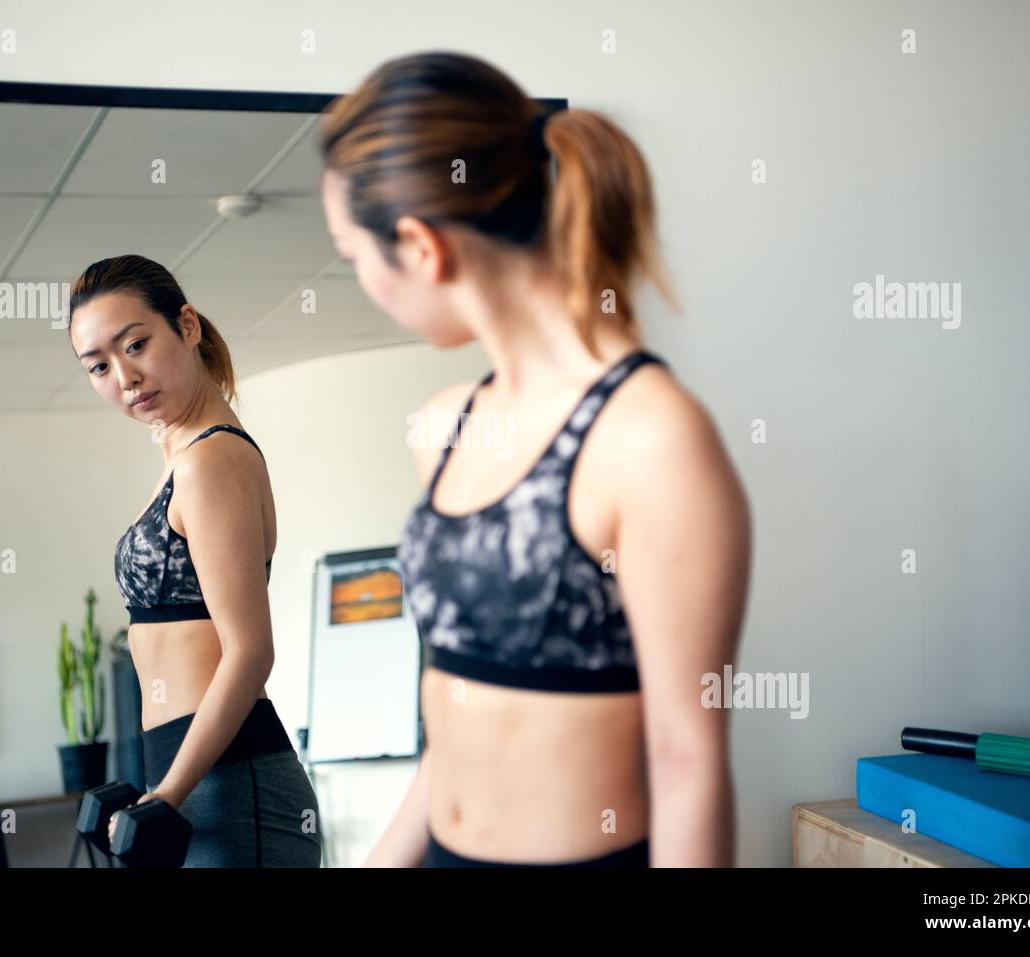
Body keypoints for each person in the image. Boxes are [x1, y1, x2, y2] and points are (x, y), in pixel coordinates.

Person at [319, 52, 752, 867]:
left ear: (417, 245)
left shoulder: (651, 436)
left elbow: (688, 760)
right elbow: (455, 717)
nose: (360, 278)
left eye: (353, 255)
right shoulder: (444, 429)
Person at [67, 254, 321, 867]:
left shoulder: (213, 460)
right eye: (99, 366)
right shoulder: (182, 458)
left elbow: (250, 651)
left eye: (136, 344)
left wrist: (169, 796)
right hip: (189, 781)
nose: (123, 377)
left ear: (186, 326)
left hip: (234, 790)